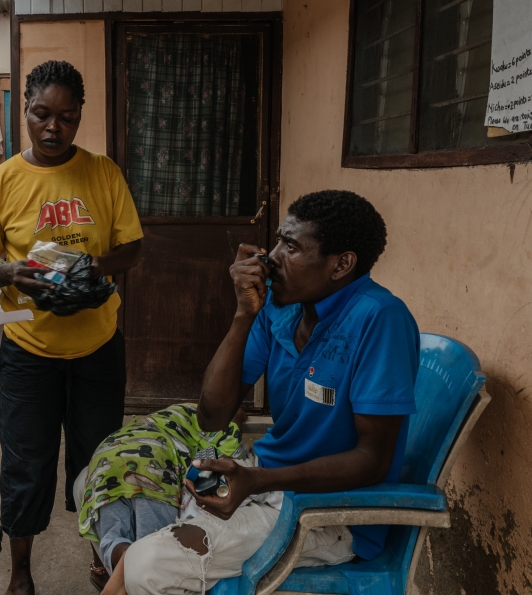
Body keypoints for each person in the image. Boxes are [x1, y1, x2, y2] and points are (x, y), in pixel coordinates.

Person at [105, 190, 419, 595]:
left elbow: (373, 461)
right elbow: (212, 416)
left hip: (327, 512)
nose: (270, 258)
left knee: (145, 562)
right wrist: (243, 314)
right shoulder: (281, 308)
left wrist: (260, 480)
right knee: (112, 485)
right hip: (265, 482)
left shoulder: (380, 319)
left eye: (290, 247)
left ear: (342, 264)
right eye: (277, 242)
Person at [0, 60, 144, 595]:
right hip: (27, 349)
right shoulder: (1, 182)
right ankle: (21, 571)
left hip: (98, 346)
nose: (53, 127)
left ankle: (102, 556)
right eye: (42, 113)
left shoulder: (103, 172)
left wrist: (94, 270)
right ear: (25, 108)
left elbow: (132, 246)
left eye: (66, 117)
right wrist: (8, 272)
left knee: (100, 458)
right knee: (26, 460)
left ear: (79, 116)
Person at [74, 405, 248, 590]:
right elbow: (232, 467)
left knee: (113, 535)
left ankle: (124, 554)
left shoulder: (173, 412)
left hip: (104, 462)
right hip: (151, 466)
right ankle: (132, 560)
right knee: (153, 555)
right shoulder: (227, 429)